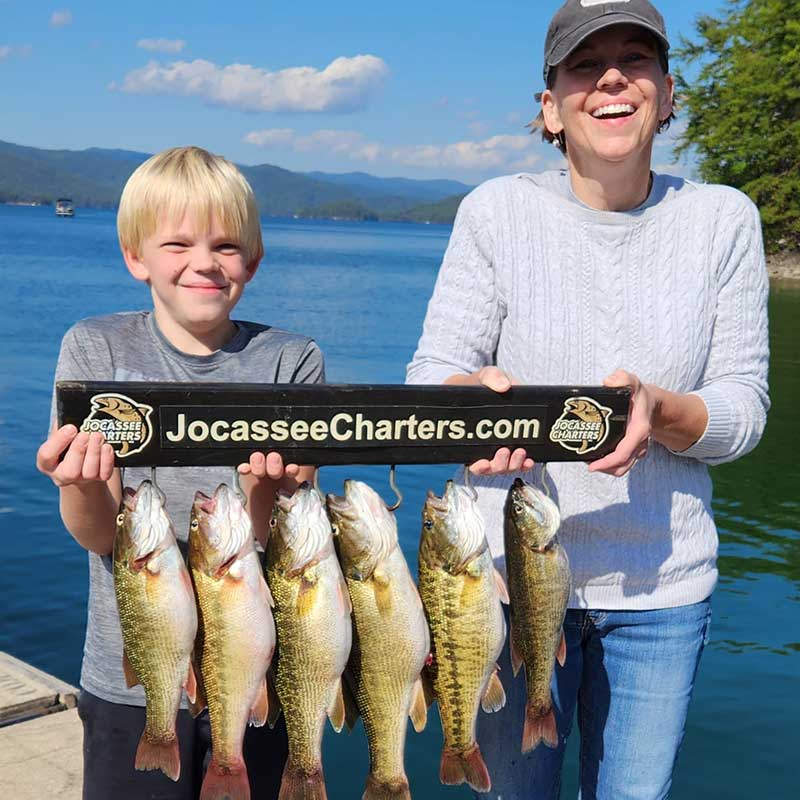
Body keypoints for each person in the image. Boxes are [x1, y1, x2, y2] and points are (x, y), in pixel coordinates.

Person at [406, 1, 769, 798]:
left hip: (661, 592)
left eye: (635, 59)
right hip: (497, 584)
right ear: (550, 107)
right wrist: (463, 400)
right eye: (583, 64)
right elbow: (427, 380)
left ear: (668, 93)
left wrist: (662, 411)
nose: (611, 76)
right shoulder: (495, 212)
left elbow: (743, 410)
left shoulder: (723, 220)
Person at [35, 146, 323, 800]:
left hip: (253, 672)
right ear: (136, 257)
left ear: (252, 261)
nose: (204, 262)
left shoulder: (292, 361)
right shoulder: (95, 349)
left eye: (226, 246)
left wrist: (263, 500)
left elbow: (287, 549)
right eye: (177, 243)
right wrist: (78, 484)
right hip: (132, 679)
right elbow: (100, 535)